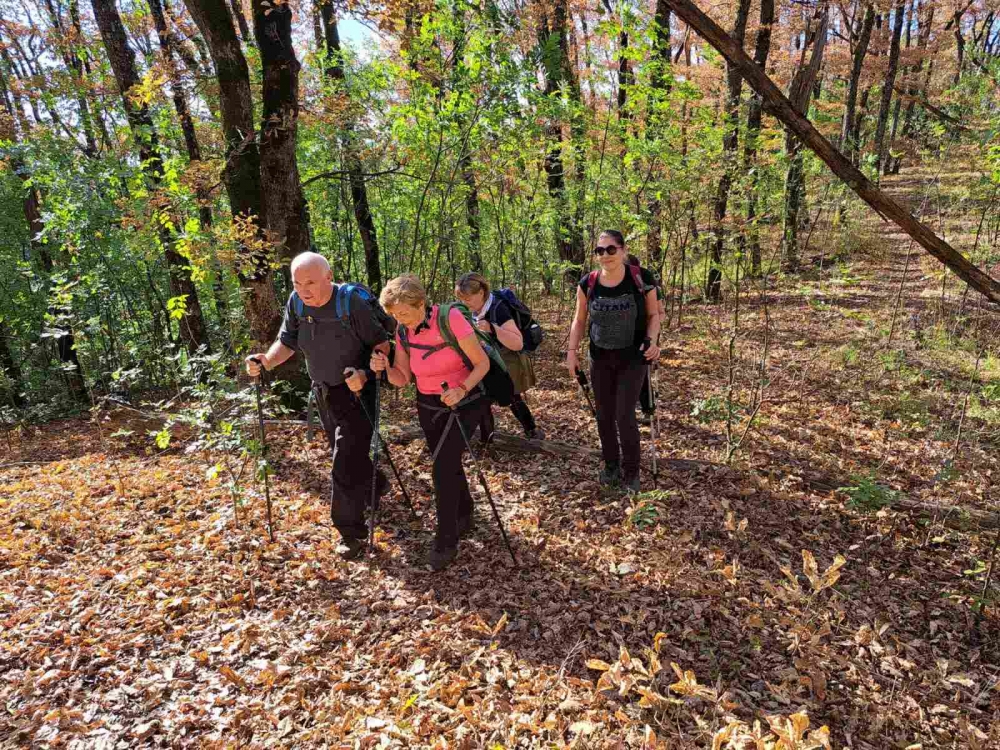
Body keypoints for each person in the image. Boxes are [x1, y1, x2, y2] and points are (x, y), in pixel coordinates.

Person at [245, 251, 390, 561]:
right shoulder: (296, 303)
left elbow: (382, 344)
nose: (303, 289)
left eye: (310, 282)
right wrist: (266, 361)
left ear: (329, 276)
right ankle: (376, 488)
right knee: (348, 455)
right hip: (324, 393)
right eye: (297, 283)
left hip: (357, 392)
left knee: (343, 460)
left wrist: (365, 373)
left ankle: (350, 533)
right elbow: (287, 342)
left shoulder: (350, 303)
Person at [371, 274, 492, 571]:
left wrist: (461, 389)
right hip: (428, 404)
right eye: (395, 315)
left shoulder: (451, 319)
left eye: (404, 313)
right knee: (448, 462)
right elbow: (402, 379)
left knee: (442, 466)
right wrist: (385, 368)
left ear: (421, 303)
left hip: (466, 400)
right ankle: (465, 514)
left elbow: (482, 364)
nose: (401, 320)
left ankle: (446, 539)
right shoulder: (402, 332)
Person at [566, 231, 660, 492]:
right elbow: (580, 319)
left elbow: (654, 315)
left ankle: (632, 471)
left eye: (611, 249)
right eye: (600, 250)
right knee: (604, 415)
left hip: (633, 357)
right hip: (600, 357)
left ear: (623, 250)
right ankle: (611, 466)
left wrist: (652, 340)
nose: (605, 255)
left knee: (624, 414)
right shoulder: (588, 283)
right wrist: (571, 352)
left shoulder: (641, 278)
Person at [454, 272, 545, 441]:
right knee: (483, 397)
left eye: (468, 298)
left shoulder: (498, 309)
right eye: (462, 299)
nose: (464, 303)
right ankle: (486, 439)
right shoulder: (476, 310)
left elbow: (517, 342)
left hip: (506, 358)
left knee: (511, 396)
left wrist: (492, 328)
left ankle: (531, 430)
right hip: (488, 356)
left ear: (481, 293)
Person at [626, 253, 665, 417]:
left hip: (645, 336)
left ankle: (648, 410)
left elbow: (660, 312)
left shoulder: (649, 284)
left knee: (643, 374)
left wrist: (651, 334)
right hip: (622, 338)